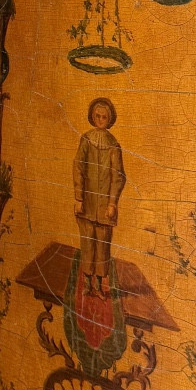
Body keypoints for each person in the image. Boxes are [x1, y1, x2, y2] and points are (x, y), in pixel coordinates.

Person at [73, 96, 125, 298]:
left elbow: (118, 176)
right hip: (86, 203)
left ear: (109, 119)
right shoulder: (86, 140)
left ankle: (99, 285)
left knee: (102, 246)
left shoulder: (113, 145)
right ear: (92, 117)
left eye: (104, 116)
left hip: (104, 206)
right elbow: (78, 167)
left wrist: (112, 203)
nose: (101, 119)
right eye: (97, 116)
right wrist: (79, 197)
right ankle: (86, 283)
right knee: (87, 243)